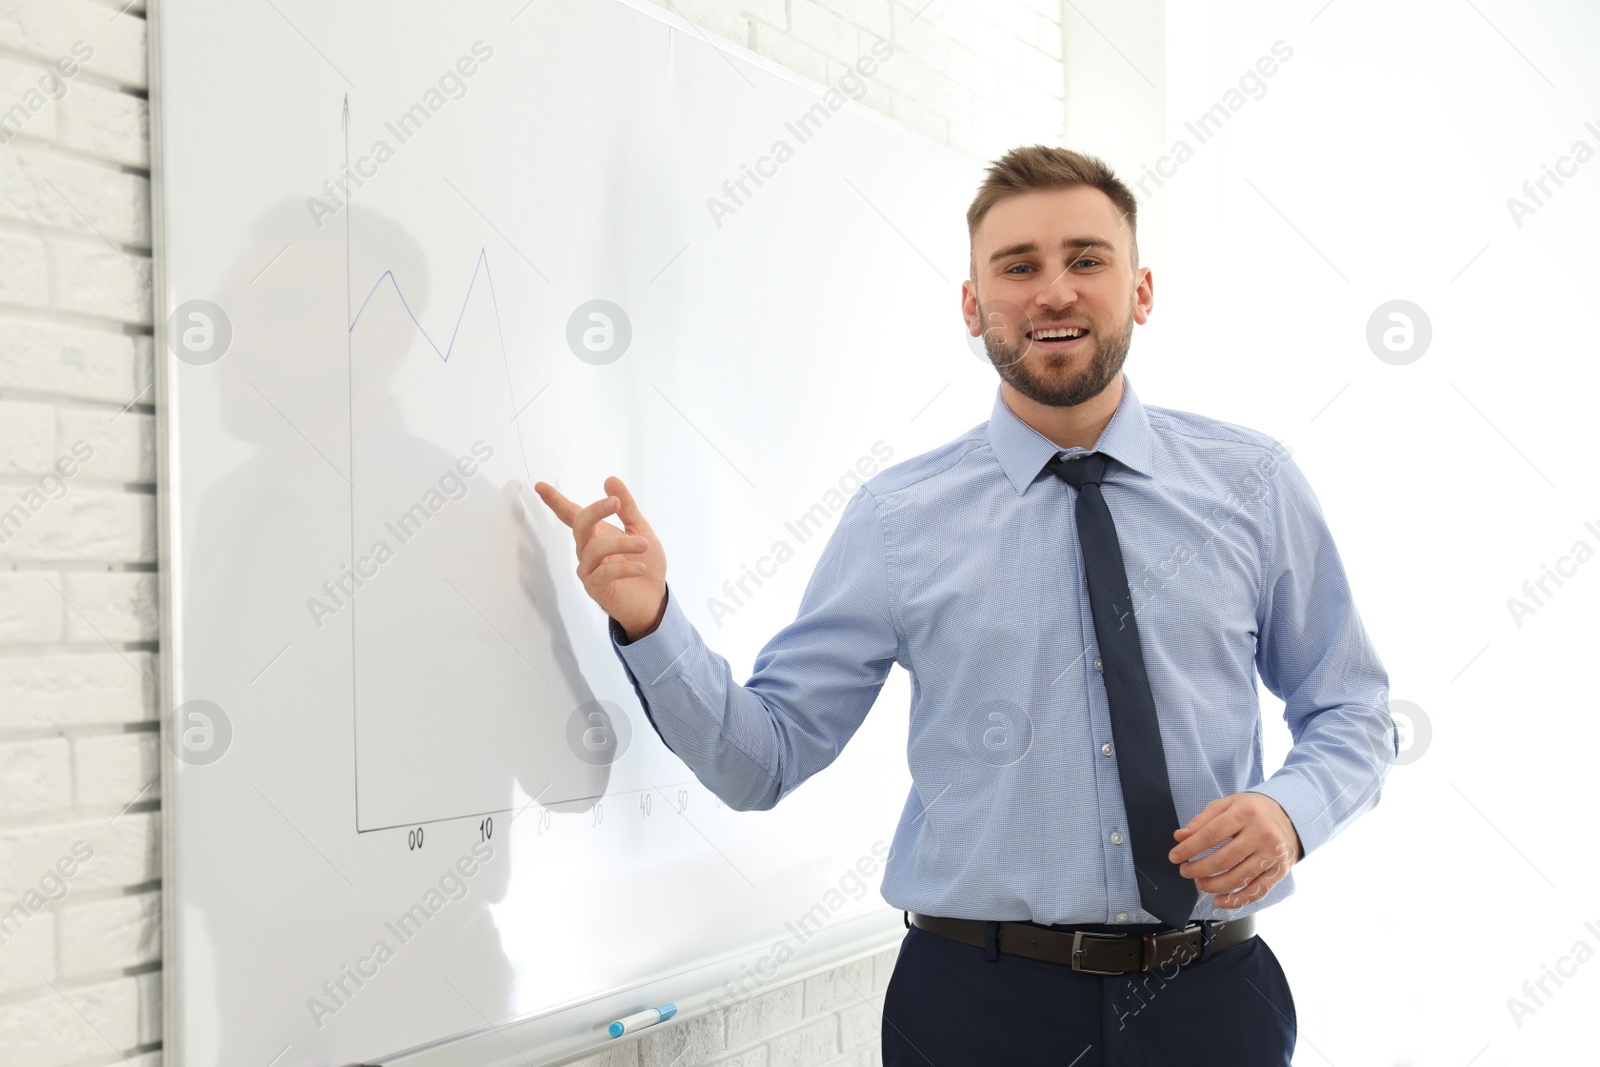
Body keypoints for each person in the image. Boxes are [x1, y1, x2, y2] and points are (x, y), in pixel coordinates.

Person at [534, 145, 1396, 1066]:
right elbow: (766, 759)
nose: (1053, 291)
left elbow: (1352, 710)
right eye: (1018, 266)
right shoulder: (899, 521)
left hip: (1211, 1003)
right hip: (975, 1013)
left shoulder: (1253, 484)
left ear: (1141, 290)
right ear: (973, 305)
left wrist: (1291, 812)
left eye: (1086, 259)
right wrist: (651, 617)